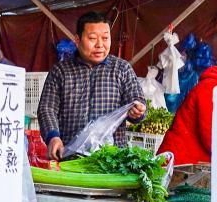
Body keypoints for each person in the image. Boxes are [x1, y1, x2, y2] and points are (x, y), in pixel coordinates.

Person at [38, 11, 146, 160]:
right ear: (77, 40)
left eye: (105, 38)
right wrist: (53, 137)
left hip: (112, 159)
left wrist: (138, 111)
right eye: (92, 38)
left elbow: (137, 101)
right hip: (69, 157)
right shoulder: (61, 71)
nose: (100, 45)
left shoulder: (122, 69)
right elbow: (47, 108)